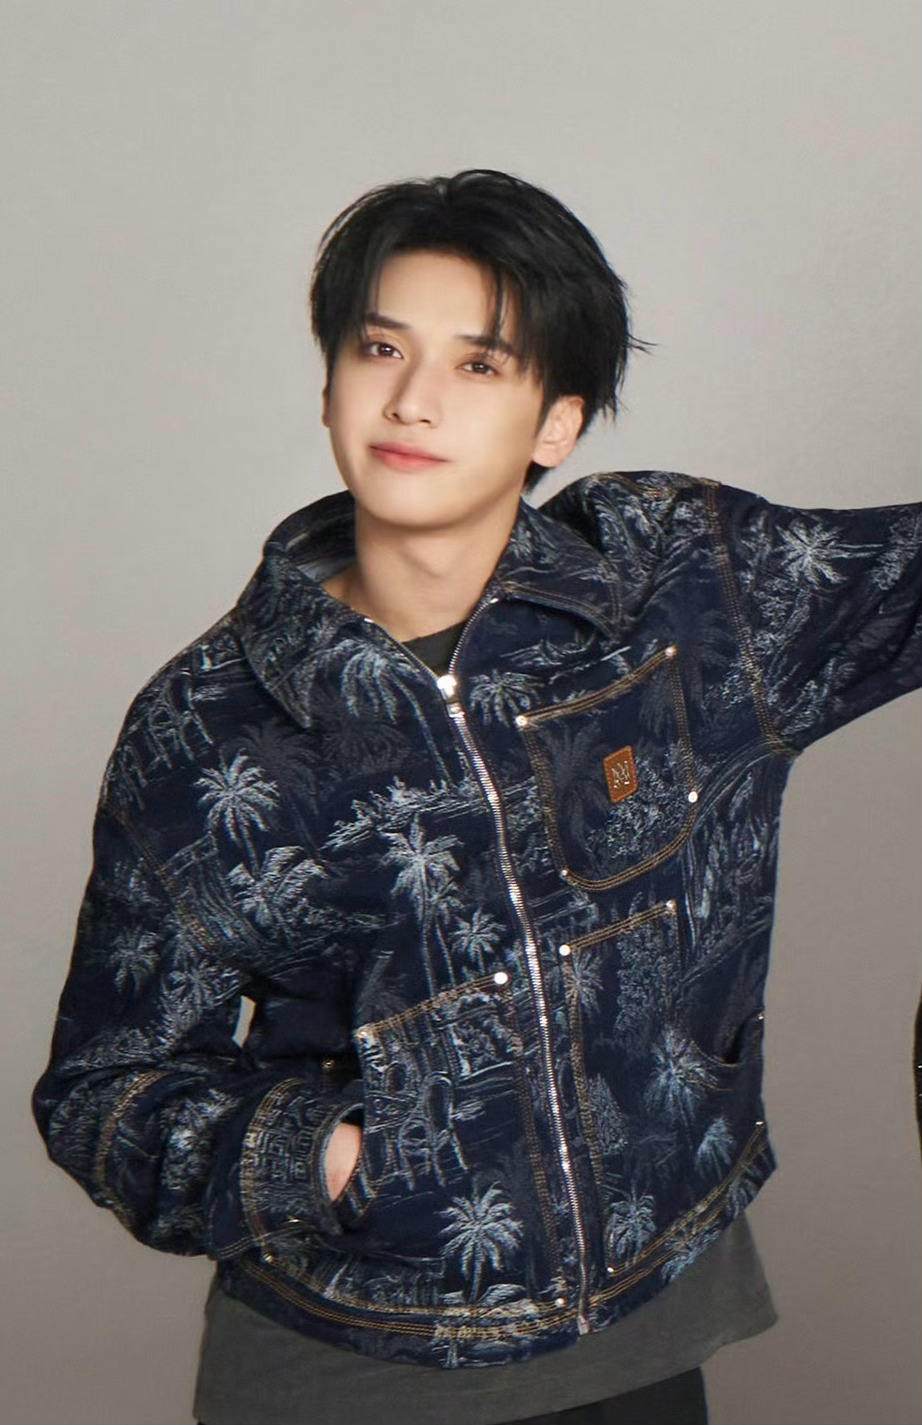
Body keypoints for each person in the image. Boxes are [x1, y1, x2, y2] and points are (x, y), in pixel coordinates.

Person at [33, 170, 921, 1425]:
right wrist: (330, 1159)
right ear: (329, 384)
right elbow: (106, 1086)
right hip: (351, 1361)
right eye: (379, 349)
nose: (413, 400)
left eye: (479, 364)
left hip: (647, 1316)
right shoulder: (205, 728)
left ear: (556, 423)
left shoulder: (682, 590)